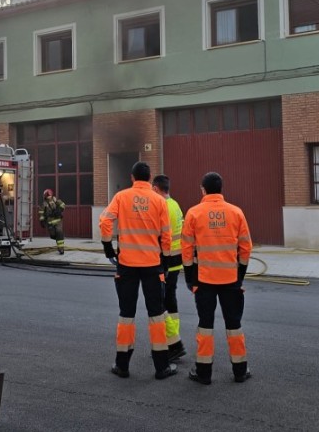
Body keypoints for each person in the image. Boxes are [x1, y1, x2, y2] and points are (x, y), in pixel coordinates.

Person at [100, 161, 176, 380]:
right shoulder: (159, 201)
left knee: (126, 315)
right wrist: (166, 261)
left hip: (127, 266)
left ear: (132, 178)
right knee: (156, 315)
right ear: (150, 178)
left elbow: (105, 221)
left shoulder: (121, 197)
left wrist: (108, 248)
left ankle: (122, 365)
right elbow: (167, 235)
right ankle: (162, 367)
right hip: (153, 266)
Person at [181, 172, 253, 385]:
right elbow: (246, 248)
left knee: (205, 325)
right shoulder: (236, 212)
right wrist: (239, 275)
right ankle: (240, 370)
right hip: (231, 280)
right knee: (234, 325)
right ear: (221, 189)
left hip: (204, 281)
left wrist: (189, 278)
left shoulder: (194, 213)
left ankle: (203, 373)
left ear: (202, 190)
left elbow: (186, 250)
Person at [151, 174, 186, 362]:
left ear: (156, 189)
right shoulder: (175, 204)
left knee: (160, 303)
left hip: (164, 262)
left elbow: (159, 235)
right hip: (176, 261)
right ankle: (172, 338)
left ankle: (173, 343)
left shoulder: (162, 206)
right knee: (171, 301)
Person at [39, 189, 66, 255]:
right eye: (47, 196)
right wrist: (41, 220)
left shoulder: (56, 200)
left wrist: (59, 210)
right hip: (50, 223)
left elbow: (63, 205)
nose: (49, 197)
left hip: (58, 221)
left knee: (59, 232)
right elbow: (41, 213)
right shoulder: (44, 204)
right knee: (53, 235)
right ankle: (59, 239)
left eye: (49, 195)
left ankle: (61, 249)